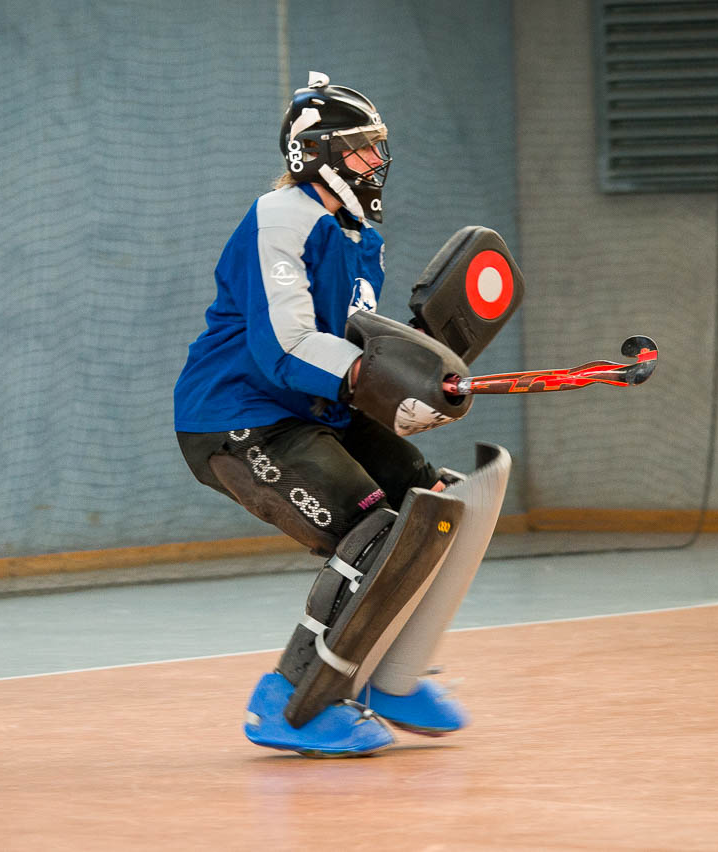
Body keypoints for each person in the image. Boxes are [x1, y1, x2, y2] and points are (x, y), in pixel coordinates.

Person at [174, 72, 510, 757]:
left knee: (434, 504)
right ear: (316, 154)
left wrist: (413, 373)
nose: (377, 161)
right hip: (239, 417)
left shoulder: (360, 239)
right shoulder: (280, 217)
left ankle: (392, 676)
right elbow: (286, 344)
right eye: (362, 147)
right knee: (374, 529)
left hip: (313, 410)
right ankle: (290, 702)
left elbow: (350, 340)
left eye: (377, 147)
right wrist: (369, 377)